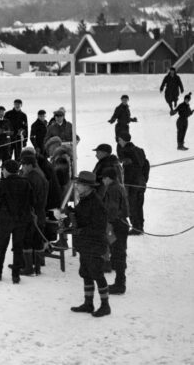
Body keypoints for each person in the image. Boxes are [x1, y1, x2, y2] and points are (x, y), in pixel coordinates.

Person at [68, 171, 111, 318]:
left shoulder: (96, 204)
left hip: (95, 245)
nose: (77, 186)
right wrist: (70, 212)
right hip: (85, 244)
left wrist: (79, 230)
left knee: (97, 274)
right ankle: (88, 303)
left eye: (79, 184)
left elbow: (98, 227)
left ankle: (105, 306)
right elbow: (81, 216)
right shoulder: (84, 199)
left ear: (87, 186)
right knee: (86, 273)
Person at [0, 159, 33, 284]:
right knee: (18, 248)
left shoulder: (3, 184)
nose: (2, 171)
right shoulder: (26, 183)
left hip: (5, 221)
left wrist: (1, 211)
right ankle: (16, 275)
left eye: (3, 169)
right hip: (21, 220)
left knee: (1, 247)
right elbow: (32, 201)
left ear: (7, 170)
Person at [100, 167, 130, 295]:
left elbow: (112, 208)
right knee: (119, 253)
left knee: (118, 254)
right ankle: (120, 281)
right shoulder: (119, 186)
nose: (102, 181)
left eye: (104, 178)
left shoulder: (112, 189)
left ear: (108, 178)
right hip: (121, 223)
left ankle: (120, 284)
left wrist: (107, 221)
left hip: (116, 224)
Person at [20, 154, 49, 276]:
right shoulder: (40, 175)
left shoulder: (29, 178)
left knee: (26, 240)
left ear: (29, 165)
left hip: (32, 213)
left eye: (23, 165)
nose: (22, 168)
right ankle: (37, 267)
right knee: (38, 240)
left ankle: (28, 268)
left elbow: (28, 198)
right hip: (41, 211)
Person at [117, 132, 150, 235]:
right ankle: (140, 227)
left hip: (132, 183)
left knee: (132, 205)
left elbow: (127, 168)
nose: (118, 142)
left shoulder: (126, 151)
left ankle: (136, 227)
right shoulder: (139, 150)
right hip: (141, 182)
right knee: (139, 205)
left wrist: (125, 183)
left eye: (119, 140)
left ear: (123, 140)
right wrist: (144, 179)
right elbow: (146, 164)